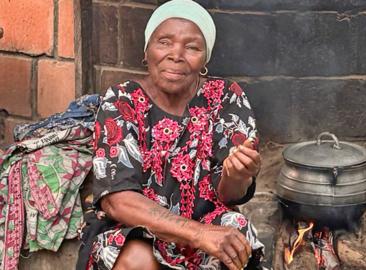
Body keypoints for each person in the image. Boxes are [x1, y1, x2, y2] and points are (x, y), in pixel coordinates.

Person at [77, 0, 265, 269]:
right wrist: (197, 234)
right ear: (147, 51)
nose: (176, 54)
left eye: (192, 47)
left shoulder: (226, 99)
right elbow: (117, 201)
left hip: (208, 226)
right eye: (164, 42)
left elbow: (229, 195)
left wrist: (237, 175)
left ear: (205, 59)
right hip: (136, 229)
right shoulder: (121, 101)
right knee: (137, 258)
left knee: (236, 233)